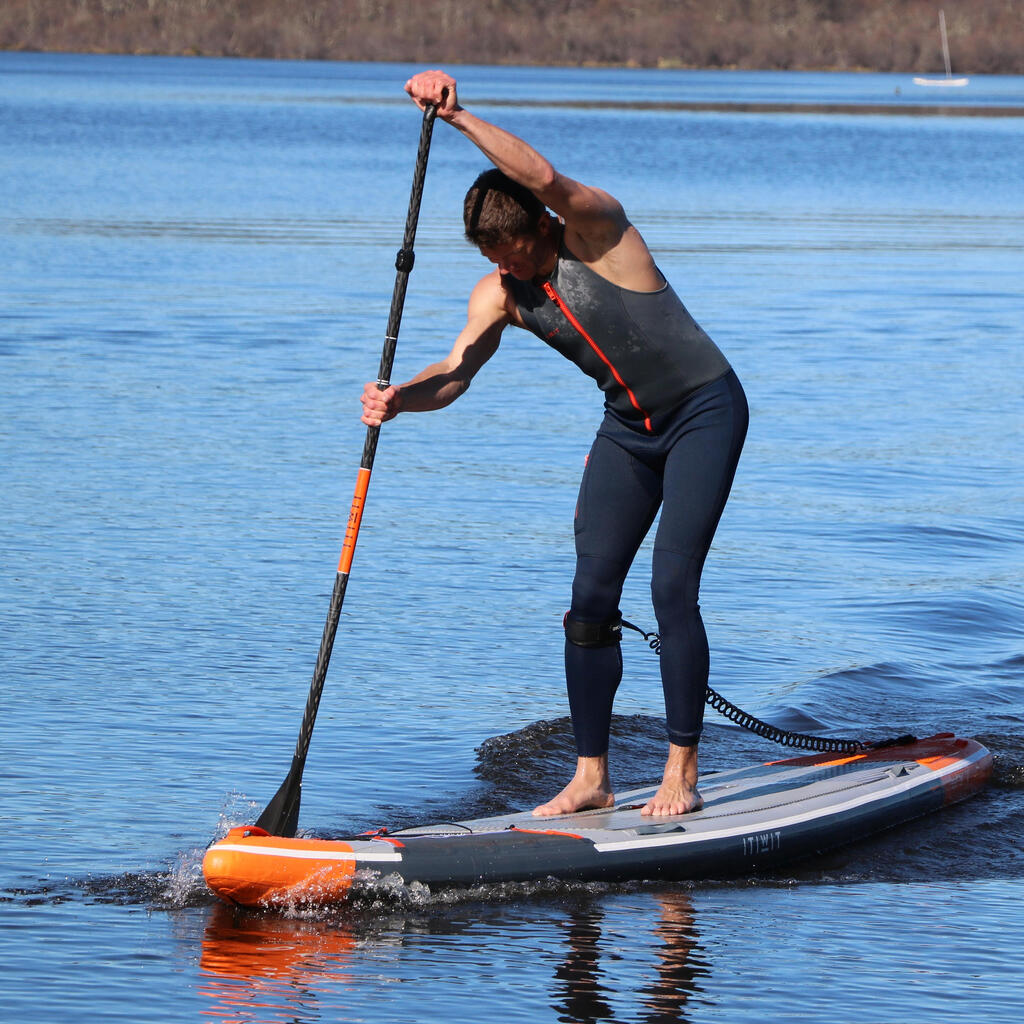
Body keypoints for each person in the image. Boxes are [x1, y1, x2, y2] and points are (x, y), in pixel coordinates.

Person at [361, 70, 748, 818]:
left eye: (508, 251)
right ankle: (591, 776)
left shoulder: (599, 231)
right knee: (588, 603)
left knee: (671, 589)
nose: (500, 268)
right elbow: (455, 373)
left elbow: (539, 173)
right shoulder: (500, 293)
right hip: (627, 434)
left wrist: (457, 115)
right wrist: (399, 401)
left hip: (705, 412)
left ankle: (682, 772)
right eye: (488, 257)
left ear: (539, 226)